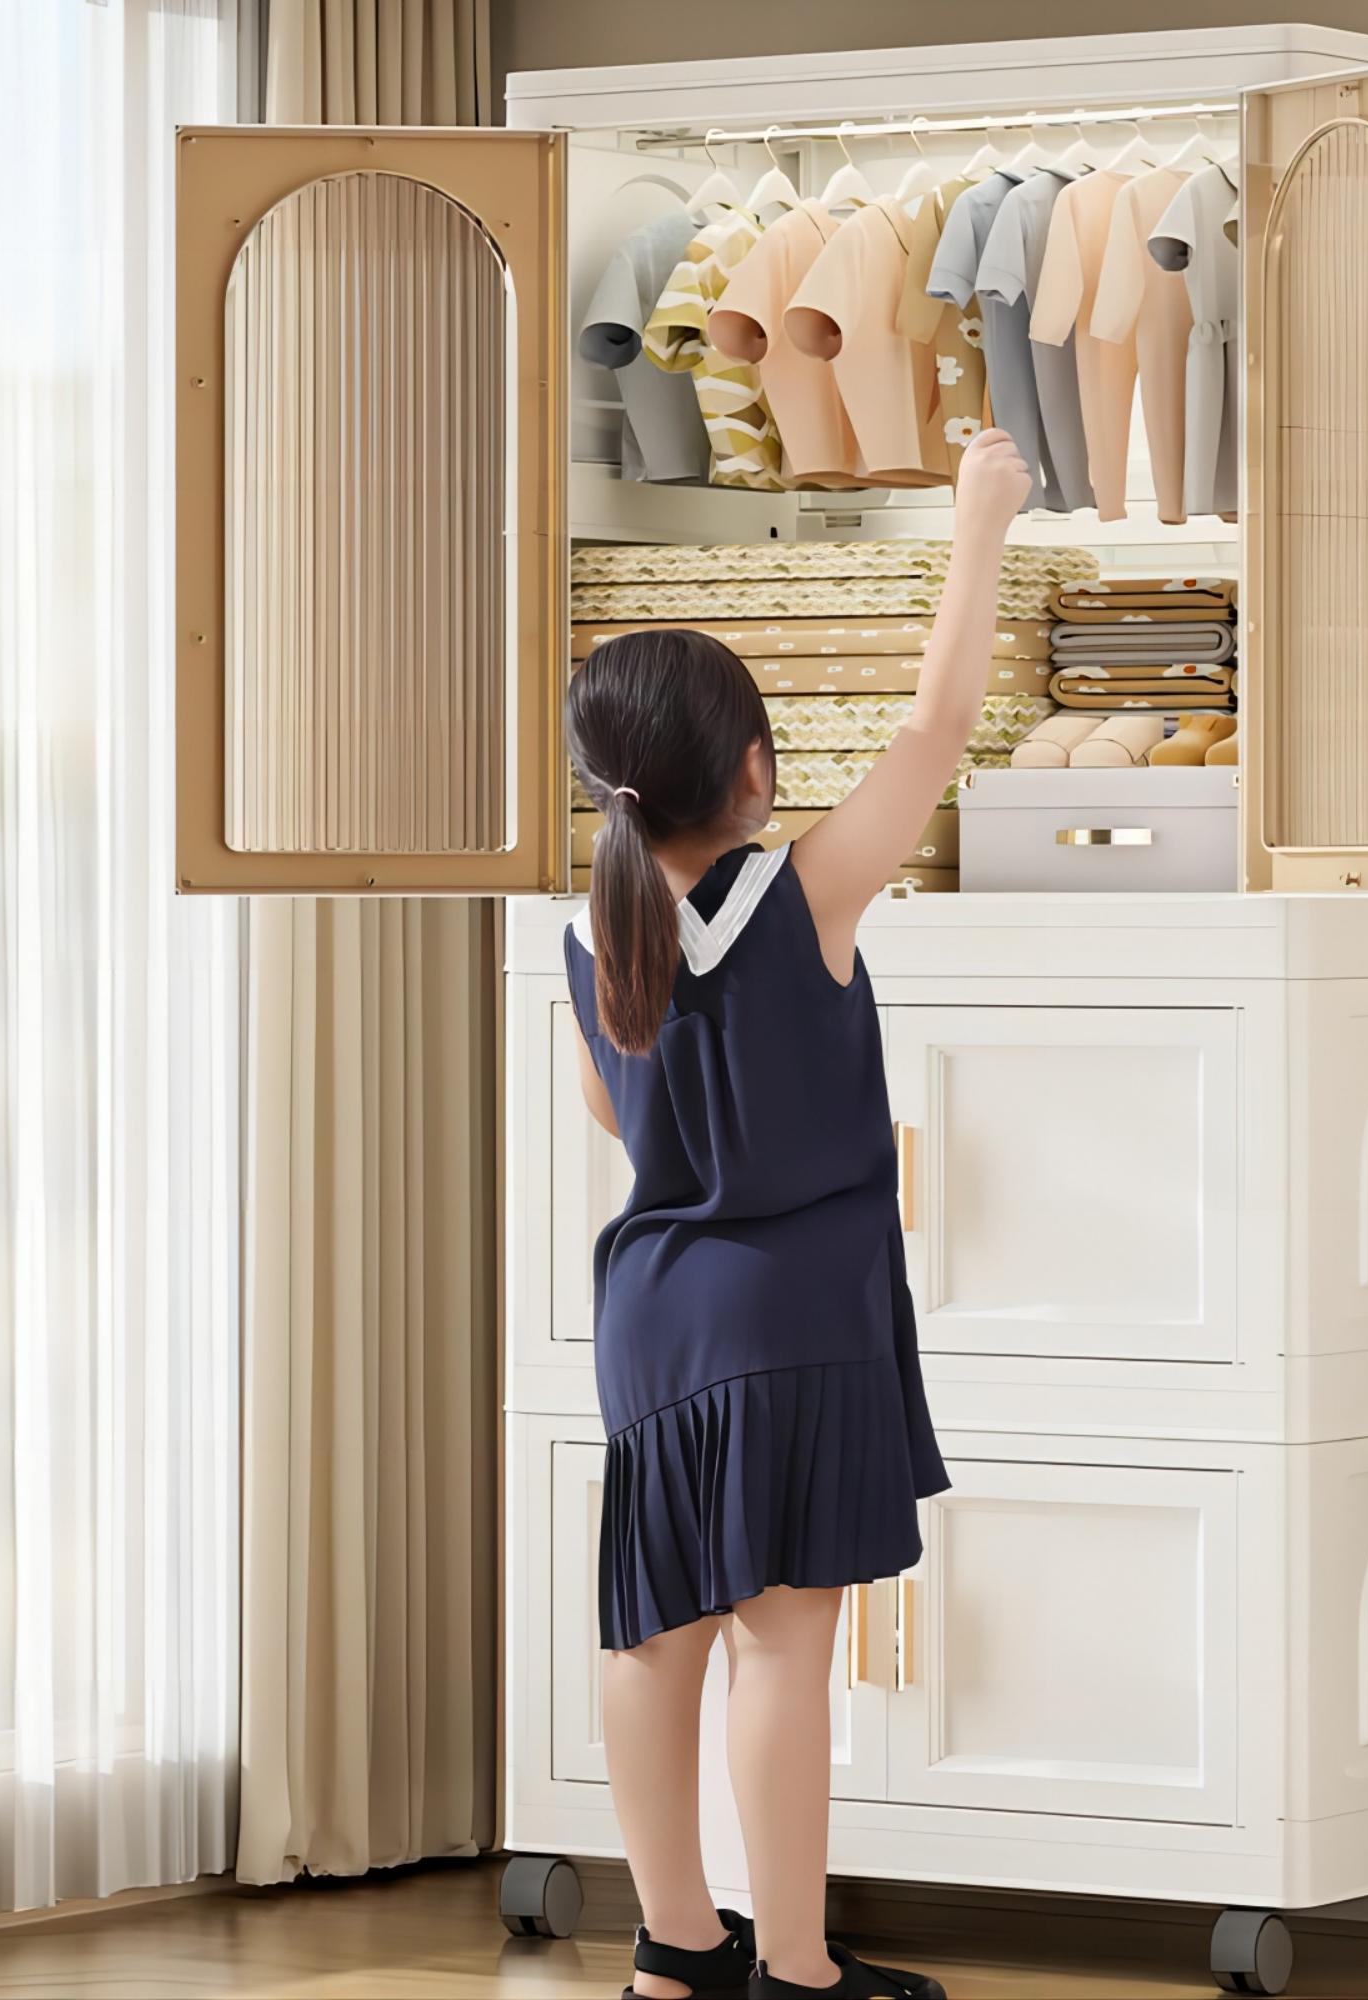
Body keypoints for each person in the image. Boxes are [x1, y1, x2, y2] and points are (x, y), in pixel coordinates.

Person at [561, 431, 1033, 2000]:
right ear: (756, 772)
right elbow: (938, 724)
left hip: (653, 1317)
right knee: (782, 1642)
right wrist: (979, 519)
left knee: (655, 1637)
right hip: (796, 1310)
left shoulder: (592, 933)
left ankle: (673, 1951)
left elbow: (612, 1115)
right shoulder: (800, 895)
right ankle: (799, 1970)